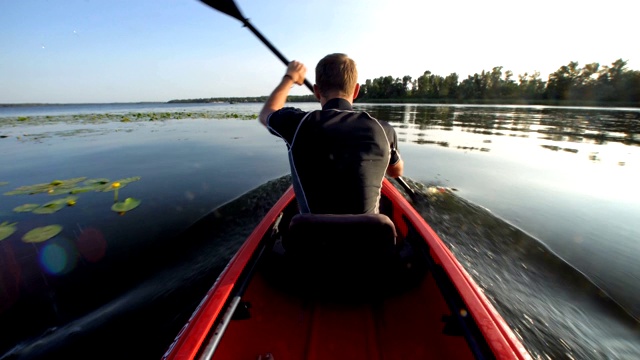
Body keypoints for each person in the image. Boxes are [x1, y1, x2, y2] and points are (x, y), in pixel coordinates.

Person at [259, 53, 403, 214]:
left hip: (313, 236)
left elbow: (266, 114)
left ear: (316, 91)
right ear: (356, 91)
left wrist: (290, 77)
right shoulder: (384, 130)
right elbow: (396, 172)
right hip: (367, 237)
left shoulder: (298, 124)